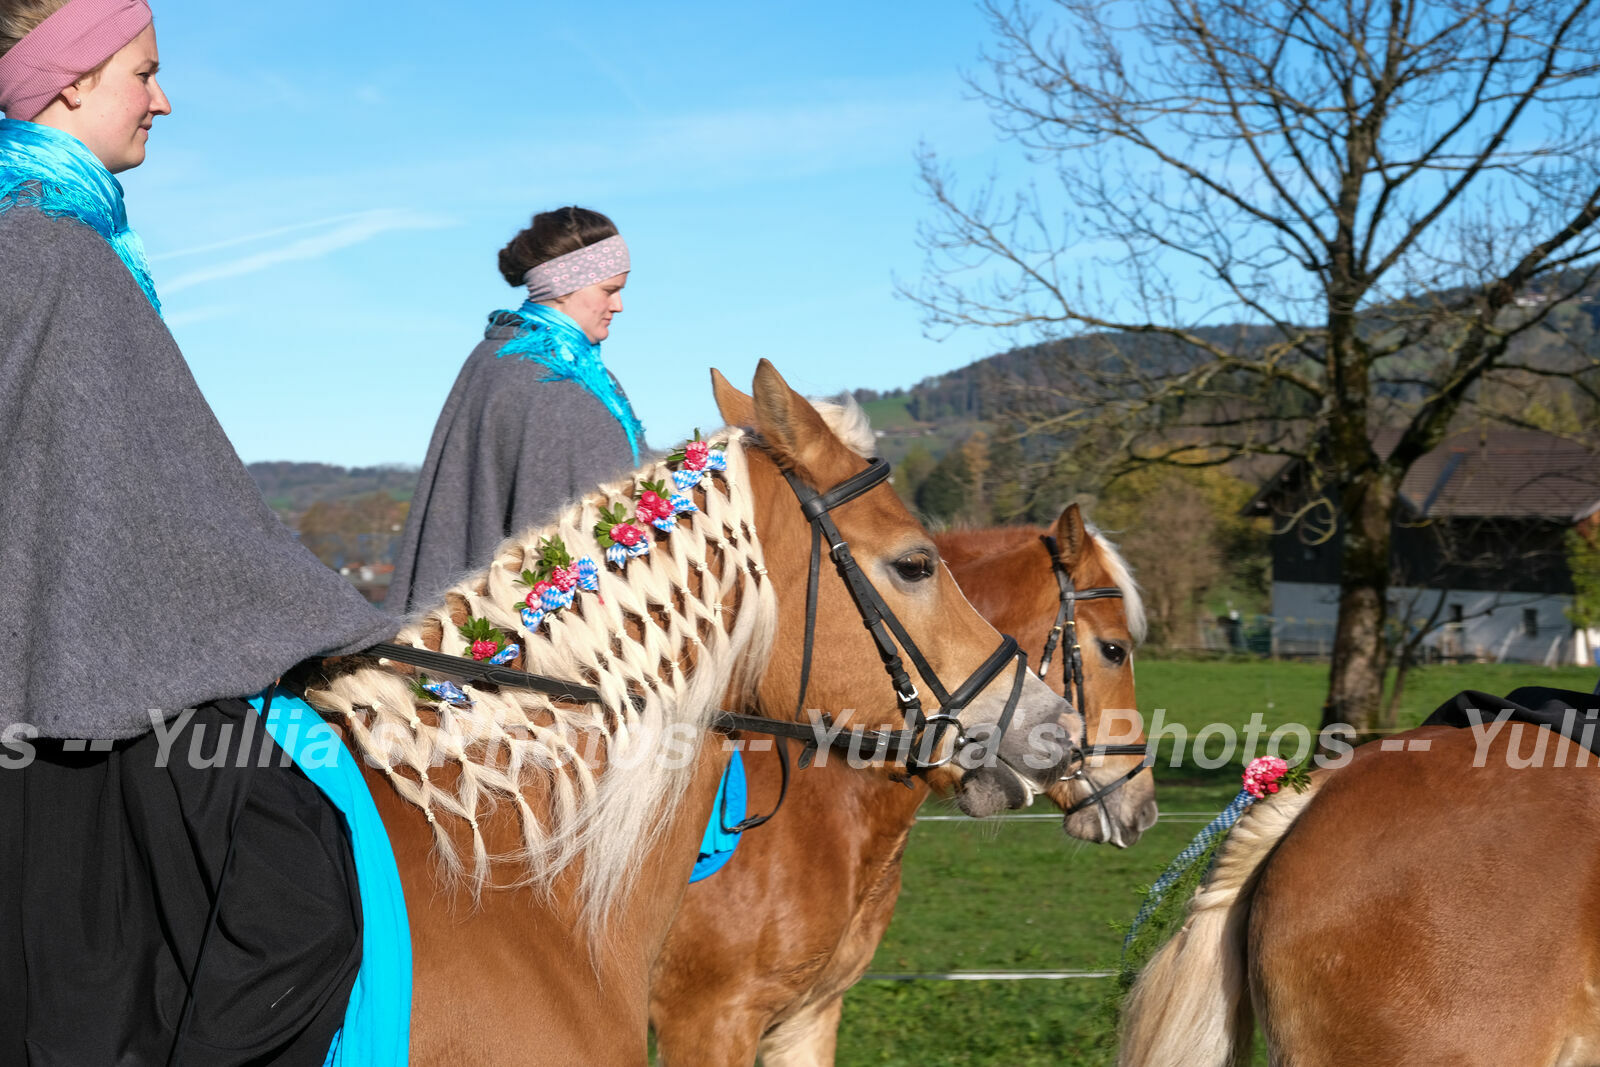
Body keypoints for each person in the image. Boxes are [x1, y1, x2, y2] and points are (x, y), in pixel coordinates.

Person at [0, 2, 401, 1062]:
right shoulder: (54, 250)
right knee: (295, 902)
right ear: (74, 81)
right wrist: (335, 621)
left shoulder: (43, 234)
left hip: (59, 684)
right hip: (88, 705)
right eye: (147, 70)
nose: (164, 98)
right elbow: (152, 513)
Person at [385, 206, 645, 613]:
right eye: (609, 290)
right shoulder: (539, 377)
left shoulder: (567, 369)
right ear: (563, 285)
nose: (619, 305)